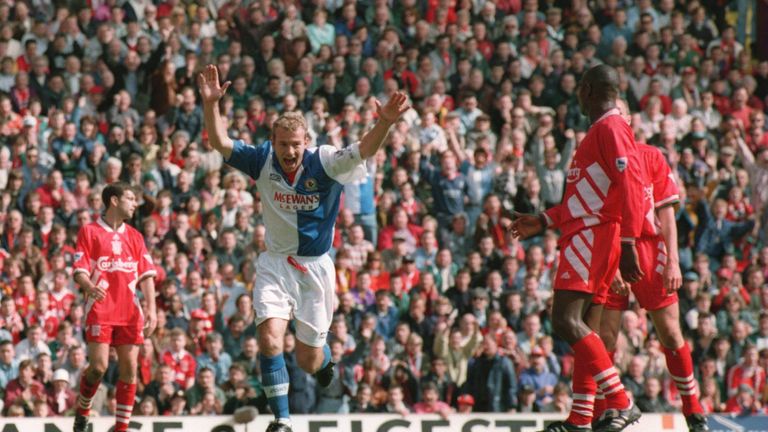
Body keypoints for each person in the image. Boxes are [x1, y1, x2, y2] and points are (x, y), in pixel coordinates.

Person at [198, 64, 410, 432]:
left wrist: (385, 123)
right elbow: (219, 142)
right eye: (283, 144)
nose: (289, 151)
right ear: (274, 141)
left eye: (296, 144)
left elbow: (364, 149)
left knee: (309, 359)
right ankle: (281, 420)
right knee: (268, 338)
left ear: (305, 142)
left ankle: (326, 365)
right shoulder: (262, 159)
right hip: (275, 264)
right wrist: (211, 104)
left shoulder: (325, 162)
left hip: (315, 268)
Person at [510, 64, 644, 432]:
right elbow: (589, 197)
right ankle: (581, 417)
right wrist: (545, 219)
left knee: (565, 320)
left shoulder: (610, 128)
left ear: (587, 90)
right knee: (587, 329)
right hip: (593, 234)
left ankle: (620, 399)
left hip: (592, 237)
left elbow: (630, 183)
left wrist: (629, 242)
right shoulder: (602, 131)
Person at [598, 99, 709, 431]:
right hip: (612, 250)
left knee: (671, 333)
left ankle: (692, 409)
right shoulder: (598, 161)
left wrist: (672, 261)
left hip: (649, 249)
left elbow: (667, 215)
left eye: (619, 113)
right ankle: (609, 410)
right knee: (605, 339)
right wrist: (610, 262)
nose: (614, 120)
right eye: (608, 114)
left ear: (629, 119)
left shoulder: (651, 155)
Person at [72, 182, 158, 432]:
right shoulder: (89, 231)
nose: (134, 204)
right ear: (114, 201)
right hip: (101, 308)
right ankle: (84, 407)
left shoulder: (135, 236)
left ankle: (122, 428)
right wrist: (89, 286)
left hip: (130, 312)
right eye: (130, 198)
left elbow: (147, 275)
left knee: (130, 371)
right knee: (98, 367)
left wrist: (152, 309)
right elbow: (79, 269)